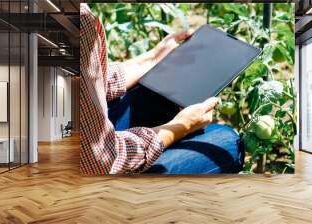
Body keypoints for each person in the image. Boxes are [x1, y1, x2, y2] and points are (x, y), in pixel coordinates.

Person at [80, 4, 244, 174]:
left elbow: (88, 82)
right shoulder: (78, 19)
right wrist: (181, 127)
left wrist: (154, 58)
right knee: (228, 141)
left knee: (158, 96)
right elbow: (99, 162)